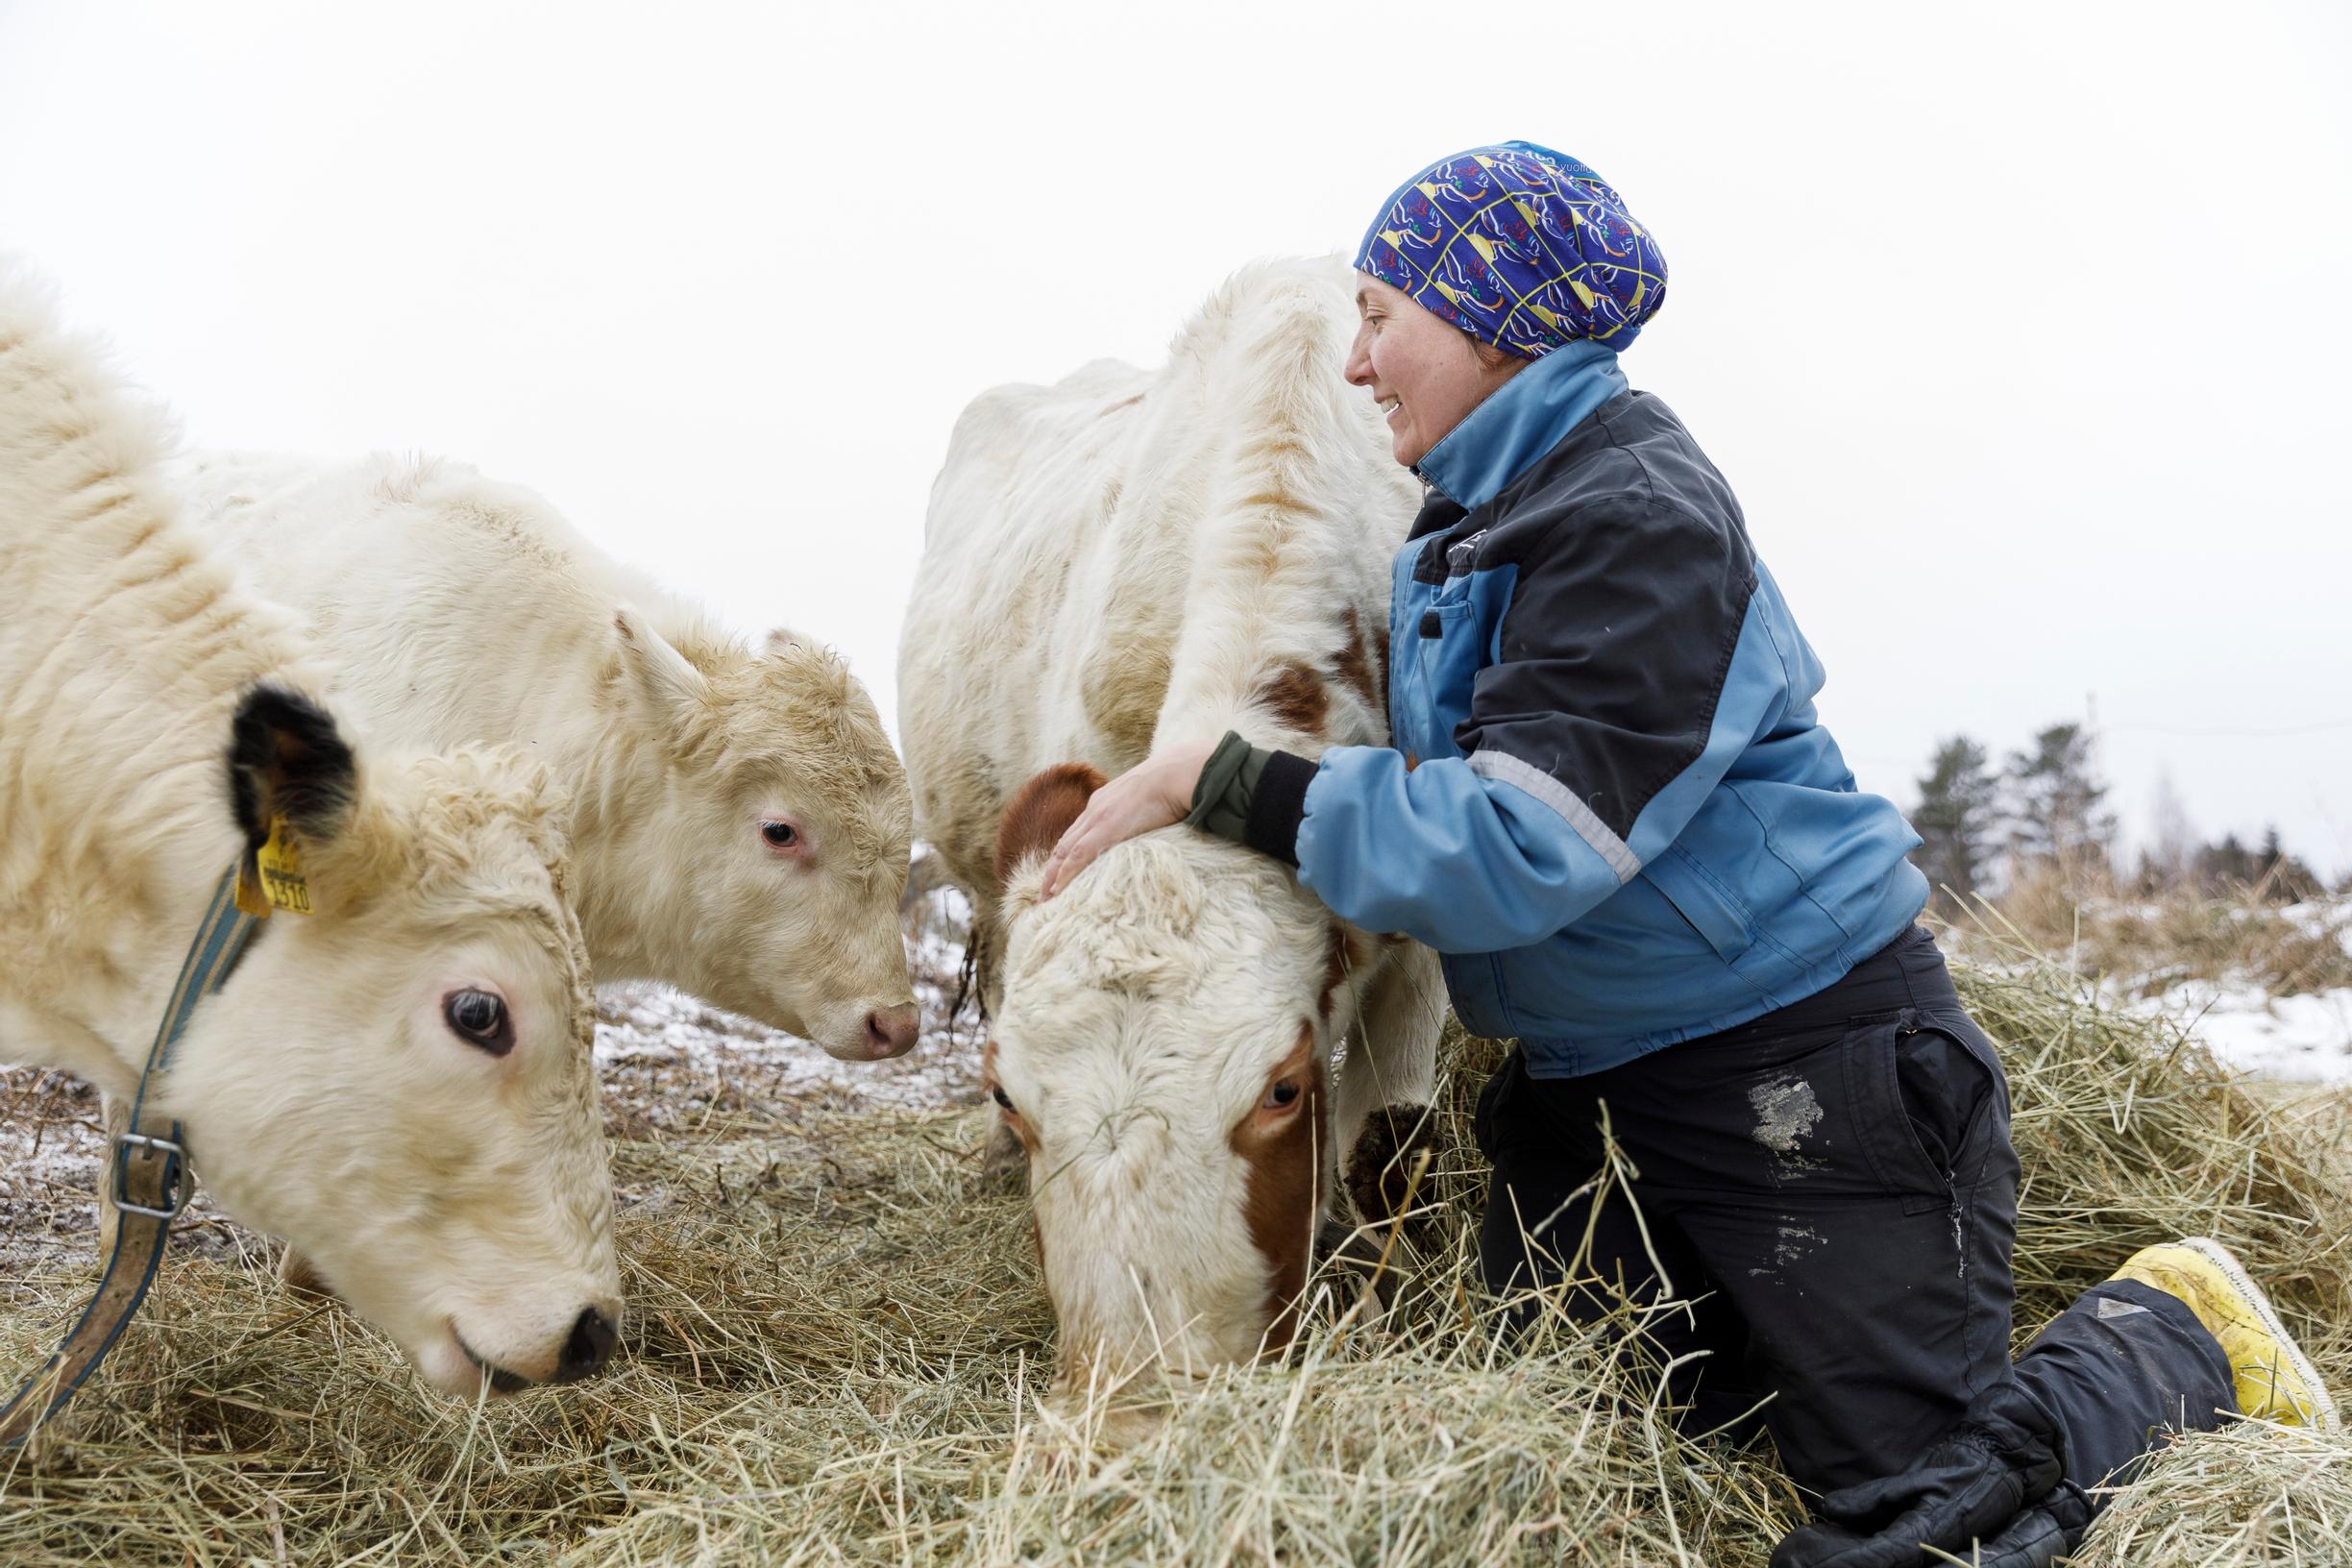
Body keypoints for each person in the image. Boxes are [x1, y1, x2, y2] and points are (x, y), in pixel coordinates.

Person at [1037, 141, 2337, 1566]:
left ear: (1486, 318)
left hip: (1799, 1065)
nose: (1356, 364)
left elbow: (1519, 845)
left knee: (1915, 1523)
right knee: (1575, 1453)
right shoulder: (1470, 523)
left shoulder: (1631, 515)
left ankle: (2170, 1339)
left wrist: (1228, 779)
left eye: (1380, 316)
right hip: (1589, 1083)